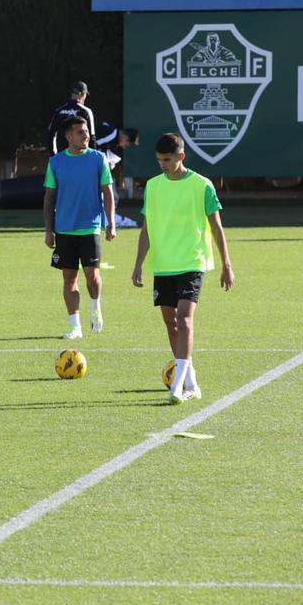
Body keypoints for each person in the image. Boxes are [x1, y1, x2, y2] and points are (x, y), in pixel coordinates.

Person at [131, 133, 234, 404]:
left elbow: (216, 227)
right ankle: (191, 382)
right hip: (163, 265)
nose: (163, 165)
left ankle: (176, 386)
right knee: (170, 322)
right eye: (159, 160)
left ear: (181, 156)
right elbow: (146, 229)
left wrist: (226, 264)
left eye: (167, 159)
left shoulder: (202, 185)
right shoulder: (153, 186)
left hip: (192, 262)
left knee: (184, 319)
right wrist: (138, 264)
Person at [43, 117, 115, 340]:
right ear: (68, 136)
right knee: (69, 278)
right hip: (64, 229)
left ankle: (95, 306)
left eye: (86, 132)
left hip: (90, 227)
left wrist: (110, 222)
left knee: (92, 275)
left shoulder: (98, 159)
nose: (86, 136)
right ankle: (75, 326)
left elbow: (108, 192)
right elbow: (49, 198)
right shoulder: (56, 163)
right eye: (80, 132)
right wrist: (48, 229)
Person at [47, 81, 96, 155]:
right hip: (81, 157)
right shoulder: (86, 111)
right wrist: (93, 159)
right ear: (83, 95)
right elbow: (92, 137)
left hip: (62, 157)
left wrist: (53, 155)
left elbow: (51, 134)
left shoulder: (59, 111)